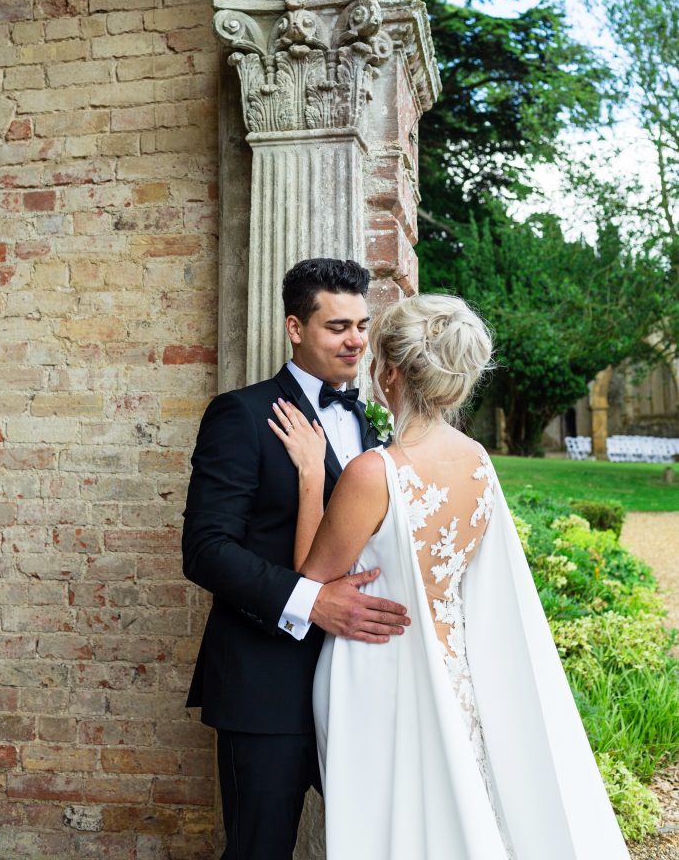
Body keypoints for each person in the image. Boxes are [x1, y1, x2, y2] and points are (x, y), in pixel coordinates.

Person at [269, 293, 631, 860]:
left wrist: (312, 474)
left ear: (390, 372)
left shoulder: (374, 472)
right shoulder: (477, 460)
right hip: (452, 669)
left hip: (378, 670)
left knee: (388, 826)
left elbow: (309, 579)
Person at [181, 258, 410, 860]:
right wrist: (313, 602)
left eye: (362, 325)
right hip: (264, 684)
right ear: (295, 327)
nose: (356, 340)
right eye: (337, 327)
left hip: (358, 678)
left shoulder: (371, 421)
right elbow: (205, 550)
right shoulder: (241, 414)